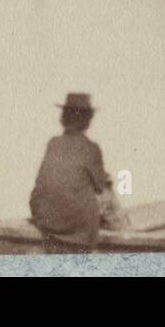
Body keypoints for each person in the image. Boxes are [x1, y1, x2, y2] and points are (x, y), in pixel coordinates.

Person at [29, 93, 113, 247]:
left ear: (64, 117)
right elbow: (100, 187)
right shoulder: (91, 148)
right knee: (108, 194)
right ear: (87, 120)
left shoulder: (53, 143)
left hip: (46, 221)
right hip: (77, 229)